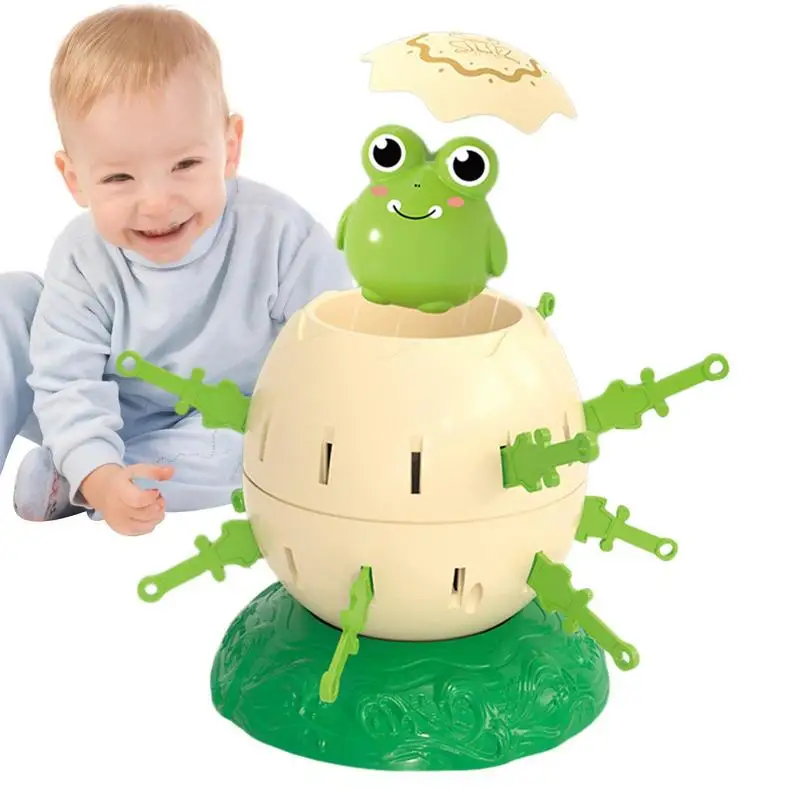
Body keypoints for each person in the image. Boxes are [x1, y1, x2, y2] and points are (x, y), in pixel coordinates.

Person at [0, 5, 352, 535]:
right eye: (118, 178)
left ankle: (84, 479)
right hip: (89, 403)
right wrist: (92, 455)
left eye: (185, 165)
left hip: (217, 423)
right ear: (74, 179)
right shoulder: (82, 256)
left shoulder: (280, 234)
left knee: (267, 446)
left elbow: (339, 342)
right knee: (9, 301)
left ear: (229, 148)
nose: (157, 204)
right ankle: (88, 468)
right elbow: (65, 381)